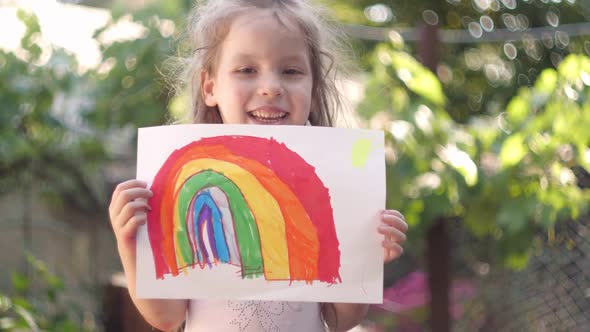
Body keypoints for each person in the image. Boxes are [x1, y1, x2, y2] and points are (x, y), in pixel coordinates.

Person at [108, 0, 408, 331]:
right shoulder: (186, 185)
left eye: (291, 71)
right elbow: (167, 318)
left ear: (314, 85)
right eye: (247, 70)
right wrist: (130, 241)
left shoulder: (334, 185)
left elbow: (340, 321)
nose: (270, 87)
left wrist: (365, 258)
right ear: (210, 87)